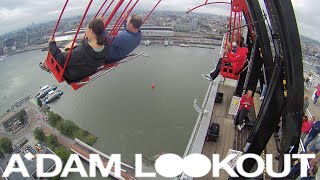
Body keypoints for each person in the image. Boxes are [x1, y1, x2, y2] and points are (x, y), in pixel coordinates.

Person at [40, 19, 107, 82]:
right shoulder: (104, 47)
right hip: (87, 69)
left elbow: (60, 59)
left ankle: (46, 66)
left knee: (57, 54)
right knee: (72, 44)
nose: (85, 31)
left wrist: (51, 44)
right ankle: (46, 66)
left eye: (87, 29)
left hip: (73, 75)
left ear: (92, 31)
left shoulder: (81, 52)